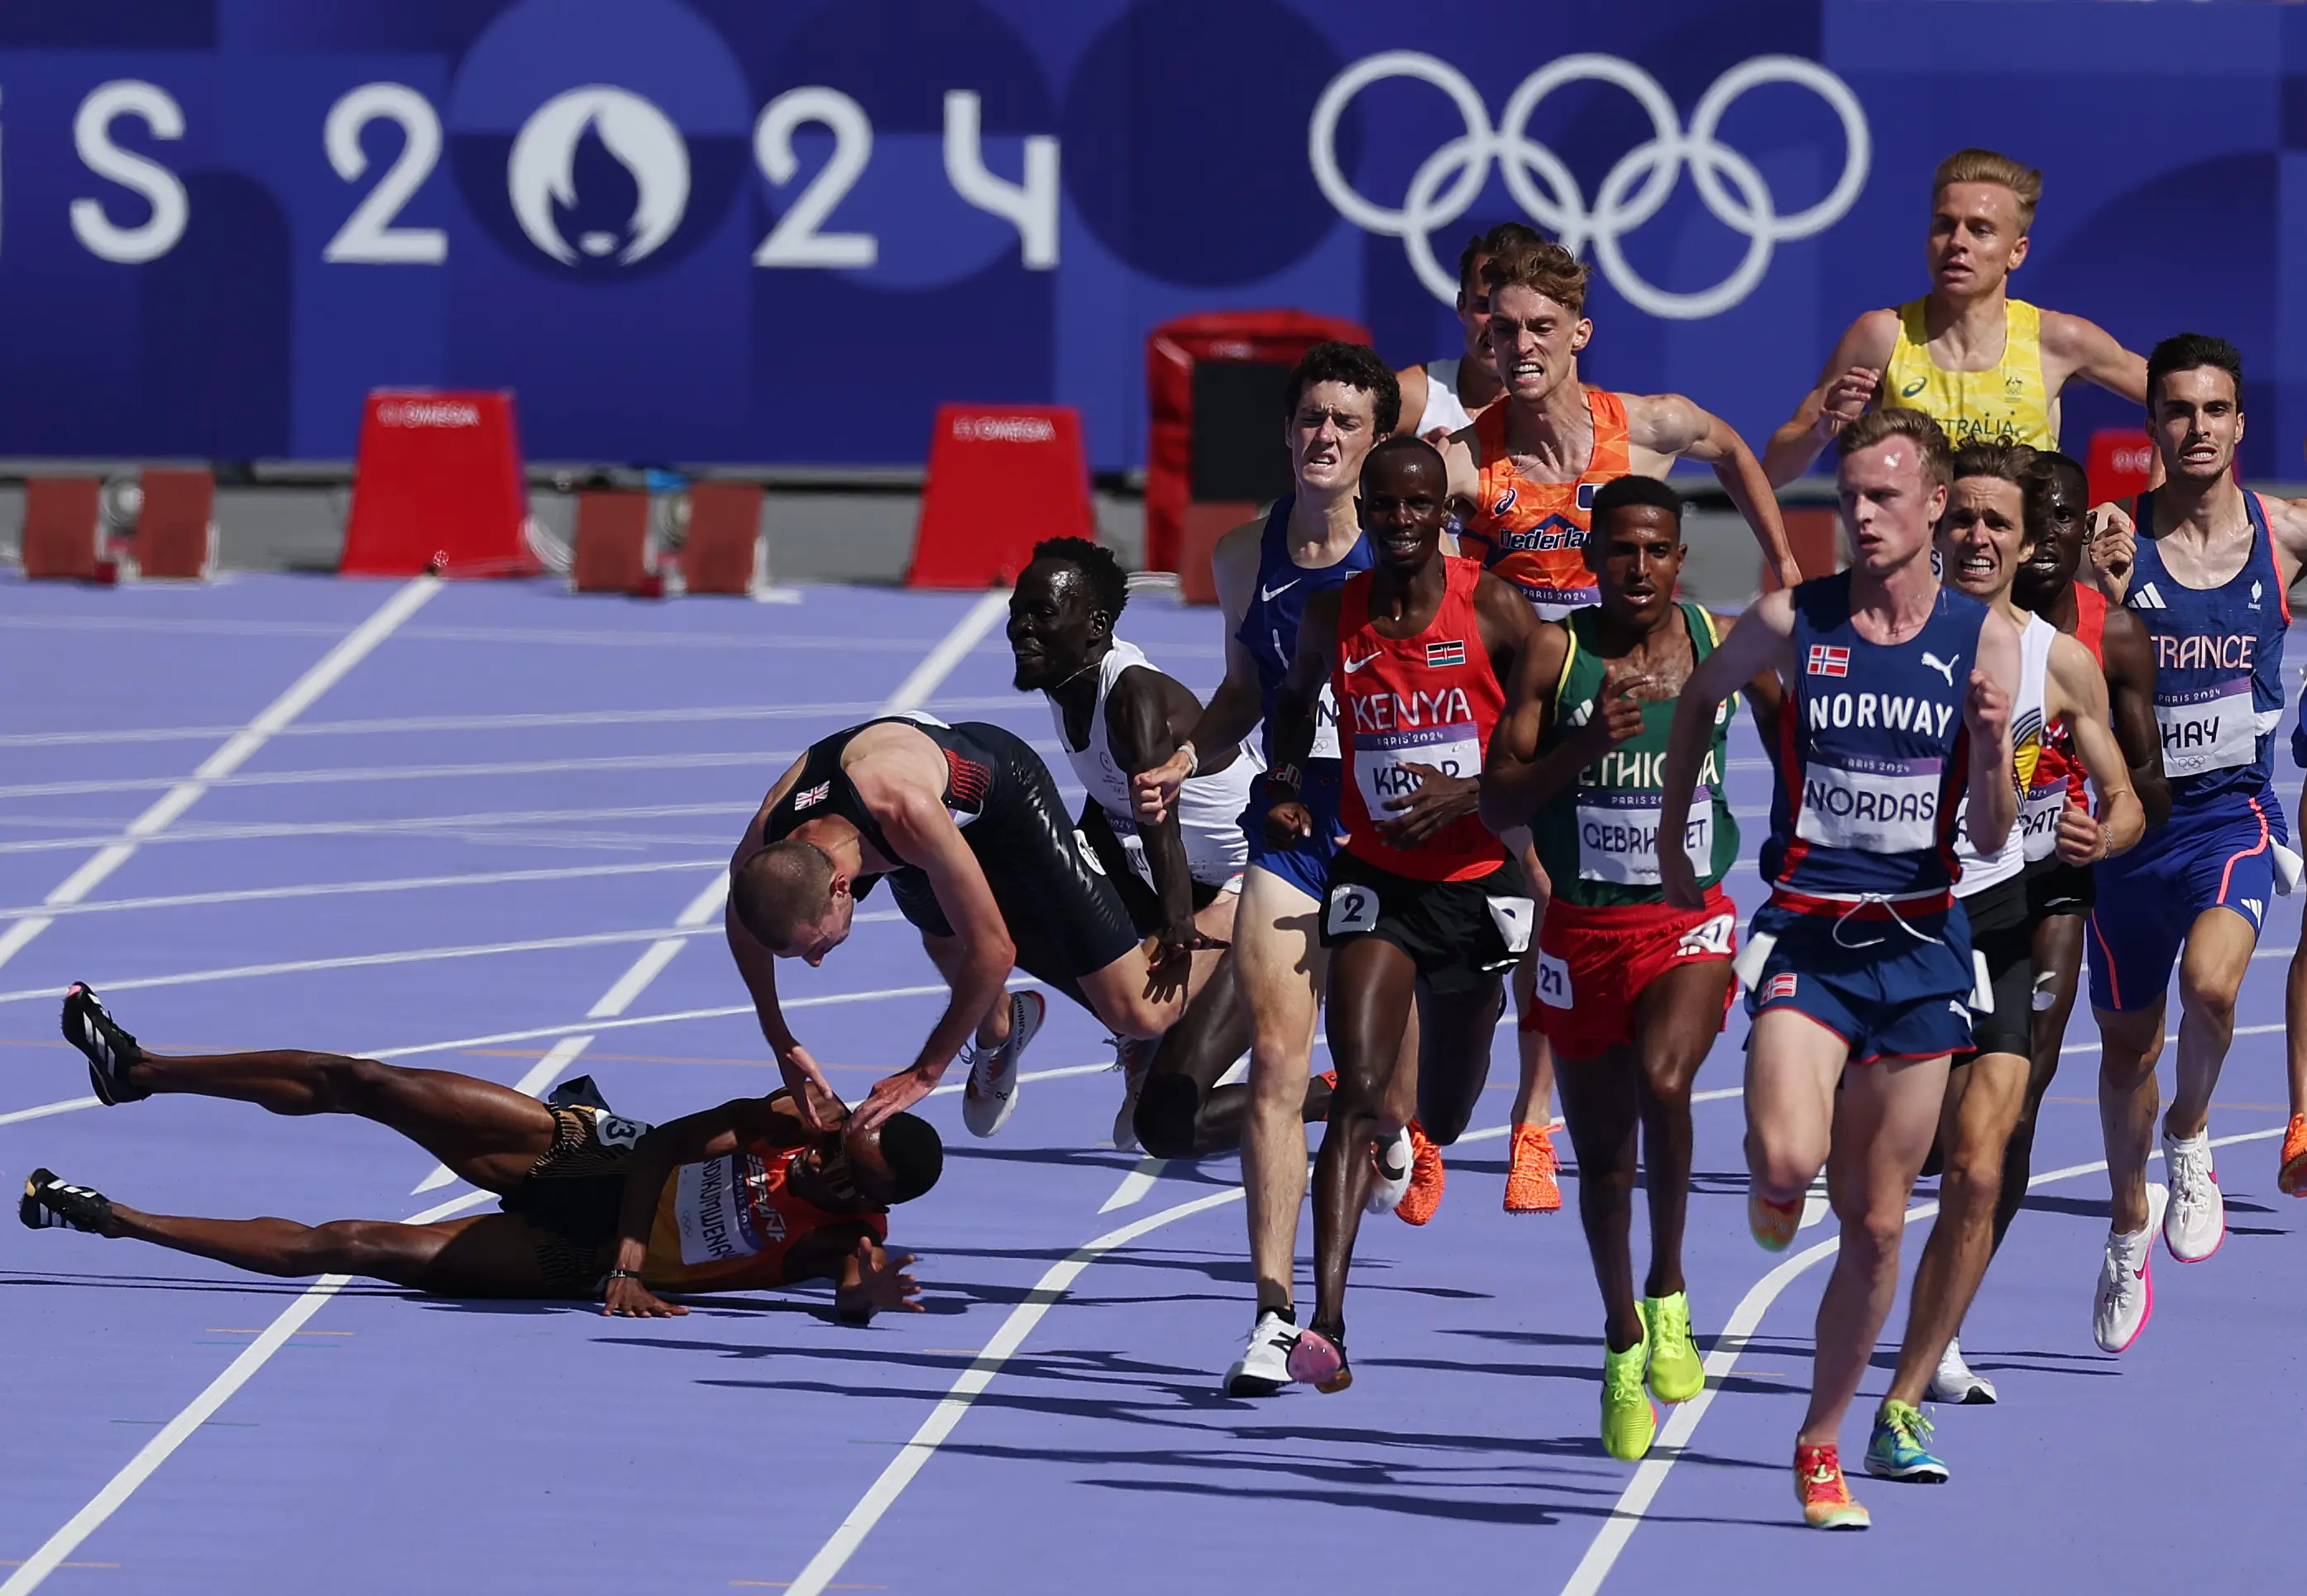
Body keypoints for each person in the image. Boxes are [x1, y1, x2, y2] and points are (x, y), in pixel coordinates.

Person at [1658, 408, 2019, 1529]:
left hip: (1919, 949)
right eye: (1847, 495)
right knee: (1785, 1151)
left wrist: (1998, 745)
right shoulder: (1790, 619)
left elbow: (1995, 830)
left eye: (1881, 497)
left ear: (1931, 507)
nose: (1858, 515)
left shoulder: (1984, 639)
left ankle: (1820, 1441)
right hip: (1809, 935)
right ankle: (1774, 1184)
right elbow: (1699, 702)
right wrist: (1680, 836)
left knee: (1872, 1225)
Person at [1448, 238, 1802, 1216]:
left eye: (1539, 329)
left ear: (1578, 335)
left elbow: (1731, 448)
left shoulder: (1645, 426)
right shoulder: (1466, 462)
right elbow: (1393, 536)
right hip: (1532, 697)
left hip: (1638, 695)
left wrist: (1782, 561)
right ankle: (1474, 1109)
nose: (1519, 345)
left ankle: (1531, 1121)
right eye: (1502, 326)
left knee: (1570, 893)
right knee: (1530, 893)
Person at [31, 986, 936, 1318]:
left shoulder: (852, 1225)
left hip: (572, 1258)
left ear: (868, 1185)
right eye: (848, 1131)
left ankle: (116, 1220)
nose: (833, 1148)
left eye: (850, 1164)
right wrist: (633, 1252)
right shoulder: (795, 1114)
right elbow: (665, 1144)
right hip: (598, 1164)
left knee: (351, 1245)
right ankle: (140, 1070)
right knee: (370, 1081)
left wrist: (866, 1291)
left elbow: (850, 1289)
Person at [1478, 475, 1778, 1460]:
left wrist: (1817, 836)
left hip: (1683, 920)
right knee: (1604, 1167)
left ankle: (1669, 1291)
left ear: (1678, 559)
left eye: (1655, 550)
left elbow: (1795, 733)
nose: (1637, 568)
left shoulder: (1716, 641)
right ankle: (1618, 1338)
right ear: (1592, 558)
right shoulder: (1553, 655)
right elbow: (1497, 800)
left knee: (1666, 1078)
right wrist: (1583, 742)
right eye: (1619, 551)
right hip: (1578, 937)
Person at [1864, 442, 2143, 1480]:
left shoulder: (2057, 660)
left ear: (2028, 545)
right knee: (1887, 1179)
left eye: (1999, 525)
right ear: (1934, 523)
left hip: (2006, 920)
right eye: (1963, 520)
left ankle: (1900, 1399)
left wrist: (2096, 838)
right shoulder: (1867, 635)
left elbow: (2117, 802)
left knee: (1982, 1165)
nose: (1978, 539)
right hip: (1889, 929)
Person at [1260, 435, 1536, 1393]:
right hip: (1375, 877)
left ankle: (1427, 1127)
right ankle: (1324, 1322)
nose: (1401, 520)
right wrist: (1286, 780)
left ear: (1442, 512)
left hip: (1476, 884)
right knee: (1365, 1085)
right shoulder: (1331, 614)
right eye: (1384, 506)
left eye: (1419, 504)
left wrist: (1469, 795)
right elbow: (1292, 705)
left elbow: (1545, 737)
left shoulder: (1492, 606)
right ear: (1363, 514)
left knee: (1445, 1111)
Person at [1922, 449, 2168, 1402]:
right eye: (1974, 524)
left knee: (2011, 1116)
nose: (2026, 541)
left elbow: (2138, 792)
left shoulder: (2091, 646)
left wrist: (2095, 833)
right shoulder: (1909, 631)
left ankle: (1943, 1328)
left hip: (2039, 887)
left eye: (2049, 521)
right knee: (1923, 1135)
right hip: (1920, 895)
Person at [2084, 334, 2307, 1350]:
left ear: (2239, 422)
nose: (2197, 428)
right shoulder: (2110, 538)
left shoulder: (2283, 534)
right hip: (2127, 828)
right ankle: (2126, 1226)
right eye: (2176, 411)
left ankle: (2190, 1133)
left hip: (2227, 815)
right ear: (2152, 427)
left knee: (2213, 989)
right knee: (2127, 1044)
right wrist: (2095, 590)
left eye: (2214, 410)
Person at [725, 697, 1224, 1138]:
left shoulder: (904, 813)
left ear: (841, 887)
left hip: (1003, 799)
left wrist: (924, 1073)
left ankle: (1235, 903)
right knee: (942, 941)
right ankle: (1004, 1026)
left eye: (815, 945)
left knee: (1140, 1014)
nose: (816, 962)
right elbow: (740, 921)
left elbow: (996, 951)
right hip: (907, 812)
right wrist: (780, 1039)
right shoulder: (768, 842)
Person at [1005, 535, 1317, 1154]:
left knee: (1163, 1110)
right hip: (1156, 867)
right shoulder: (1060, 675)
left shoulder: (1131, 696)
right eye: (1017, 609)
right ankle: (1044, 1032)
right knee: (1004, 899)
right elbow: (1105, 795)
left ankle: (1350, 1095)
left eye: (1040, 613)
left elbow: (1158, 819)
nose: (1020, 627)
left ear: (1094, 626)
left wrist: (1173, 931)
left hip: (1250, 881)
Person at [1391, 220, 1563, 1211]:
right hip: (1432, 688)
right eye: (1485, 306)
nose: (1504, 331)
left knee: (1548, 898)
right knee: (1423, 903)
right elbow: (1341, 483)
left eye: (1522, 312)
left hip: (1534, 688)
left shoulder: (1572, 413)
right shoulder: (1420, 402)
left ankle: (1530, 1123)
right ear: (1467, 313)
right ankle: (1418, 1126)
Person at [1763, 148, 2145, 484]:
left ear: (2017, 251)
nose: (1957, 242)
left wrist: (2153, 502)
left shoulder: (2057, 339)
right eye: (1945, 226)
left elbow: (2183, 398)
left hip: (2018, 564)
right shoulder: (1882, 336)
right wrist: (1821, 432)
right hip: (1917, 565)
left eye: (1980, 230)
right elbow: (1775, 472)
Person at [1390, 221, 1543, 439]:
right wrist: (1408, 466)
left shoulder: (1582, 410)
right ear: (1462, 307)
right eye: (1484, 306)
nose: (1497, 324)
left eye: (1512, 310)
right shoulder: (1413, 396)